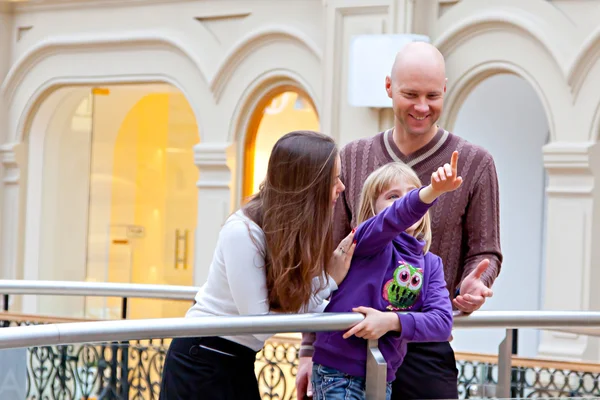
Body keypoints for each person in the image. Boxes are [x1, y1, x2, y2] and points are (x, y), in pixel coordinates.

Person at [297, 42, 502, 400]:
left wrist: (475, 281)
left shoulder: (476, 162)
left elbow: (487, 251)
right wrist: (308, 350)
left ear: (445, 90)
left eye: (432, 96)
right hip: (347, 343)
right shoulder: (353, 156)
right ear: (389, 87)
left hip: (421, 342)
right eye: (410, 94)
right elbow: (327, 256)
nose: (422, 107)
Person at [159, 130, 357, 400]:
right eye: (334, 179)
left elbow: (292, 303)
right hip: (202, 360)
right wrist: (328, 283)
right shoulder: (243, 231)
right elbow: (257, 323)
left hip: (236, 359)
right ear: (309, 182)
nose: (341, 187)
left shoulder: (291, 230)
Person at [311, 154, 460, 400]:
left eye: (412, 193)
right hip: (338, 374)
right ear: (373, 209)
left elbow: (442, 322)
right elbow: (397, 216)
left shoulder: (431, 263)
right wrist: (431, 191)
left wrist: (391, 322)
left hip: (384, 376)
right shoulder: (367, 240)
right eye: (392, 196)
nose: (404, 202)